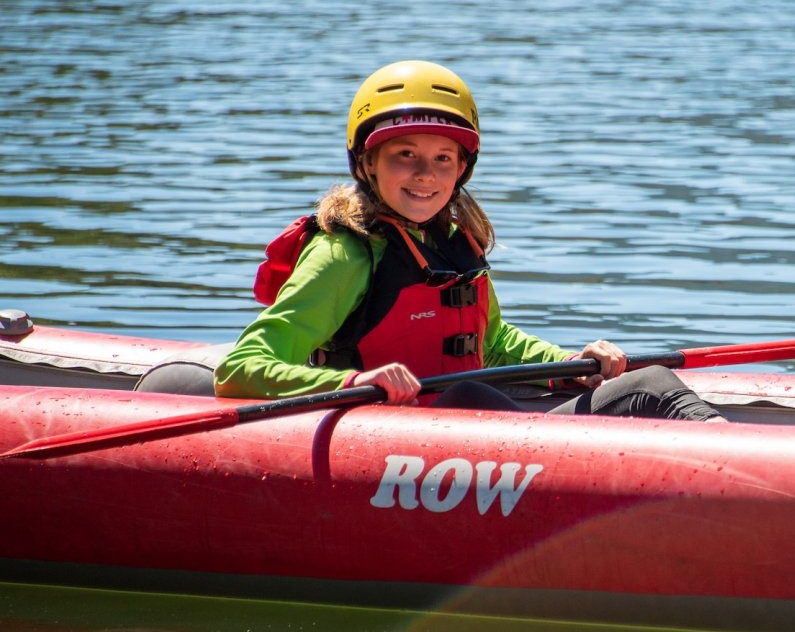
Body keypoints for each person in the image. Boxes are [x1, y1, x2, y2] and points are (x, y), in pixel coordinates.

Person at [214, 60, 724, 422]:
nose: (424, 174)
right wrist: (350, 384)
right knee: (647, 388)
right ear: (367, 164)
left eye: (442, 158)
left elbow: (495, 343)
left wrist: (574, 366)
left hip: (463, 423)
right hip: (387, 435)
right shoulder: (345, 252)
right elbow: (240, 370)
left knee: (628, 384)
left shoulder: (454, 243)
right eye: (404, 154)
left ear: (462, 169)